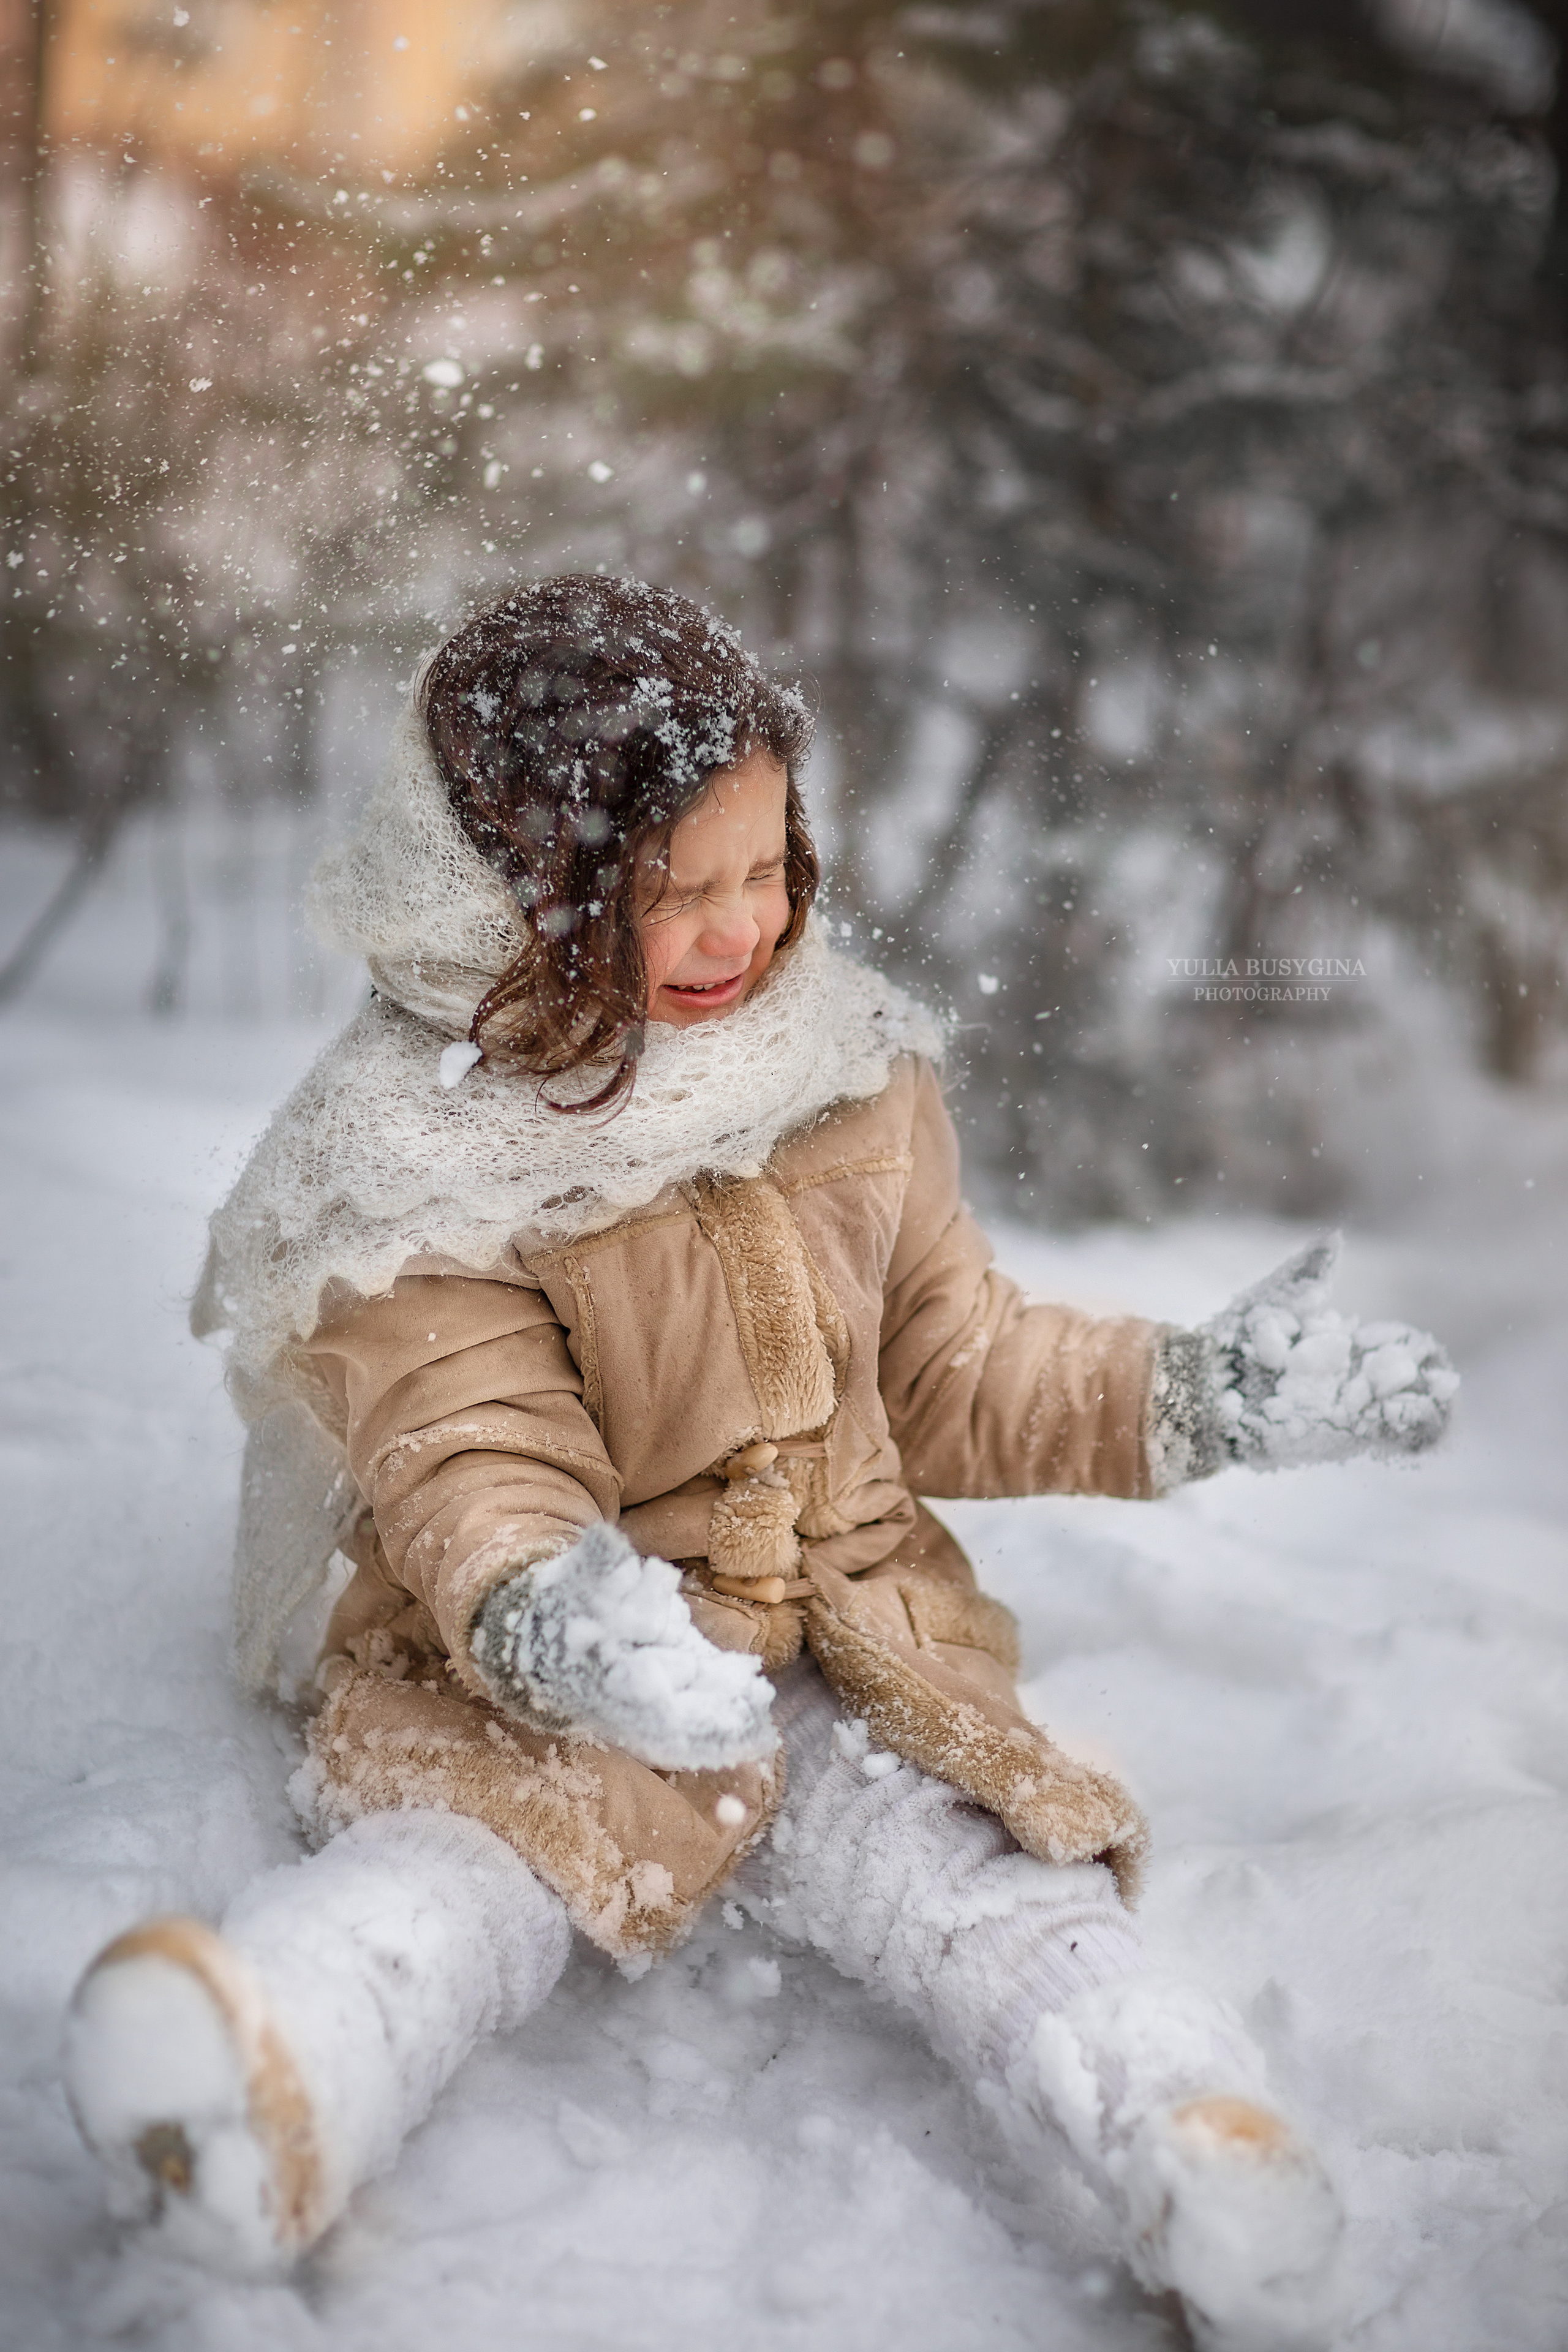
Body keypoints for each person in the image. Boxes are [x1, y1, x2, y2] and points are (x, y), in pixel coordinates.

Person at [63, 576, 1457, 2348]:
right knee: (460, 1876)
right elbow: (464, 1439)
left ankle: (1190, 2139)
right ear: (531, 900)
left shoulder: (843, 1072)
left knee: (990, 1892)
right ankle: (273, 2081)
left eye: (767, 864)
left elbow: (952, 1363)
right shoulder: (419, 1164)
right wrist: (548, 1613)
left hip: (852, 1635)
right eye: (675, 891)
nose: (747, 927)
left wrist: (1194, 1392)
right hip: (563, 1665)